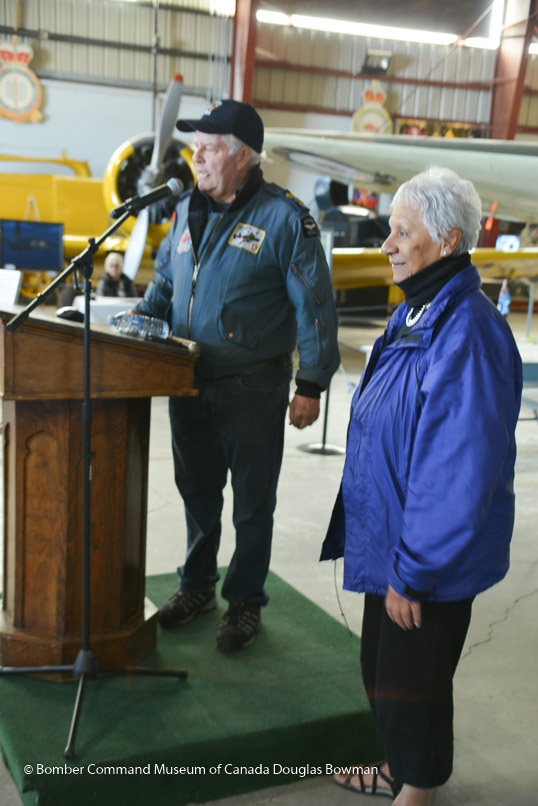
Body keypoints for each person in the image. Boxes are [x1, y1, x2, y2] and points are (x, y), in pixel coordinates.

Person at [321, 166, 522, 804]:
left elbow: (458, 473)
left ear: (448, 239)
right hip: (393, 541)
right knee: (386, 674)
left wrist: (414, 571)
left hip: (424, 558)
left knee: (416, 683)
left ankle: (417, 793)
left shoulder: (468, 332)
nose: (387, 245)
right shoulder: (419, 311)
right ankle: (396, 769)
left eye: (402, 232)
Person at [135, 99, 340, 653]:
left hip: (254, 386)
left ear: (242, 156)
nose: (196, 158)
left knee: (252, 503)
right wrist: (139, 319)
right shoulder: (186, 209)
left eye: (208, 149)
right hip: (187, 380)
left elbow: (315, 306)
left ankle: (245, 601)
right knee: (197, 493)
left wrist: (311, 384)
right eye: (195, 148)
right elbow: (166, 284)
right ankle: (197, 586)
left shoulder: (284, 219)